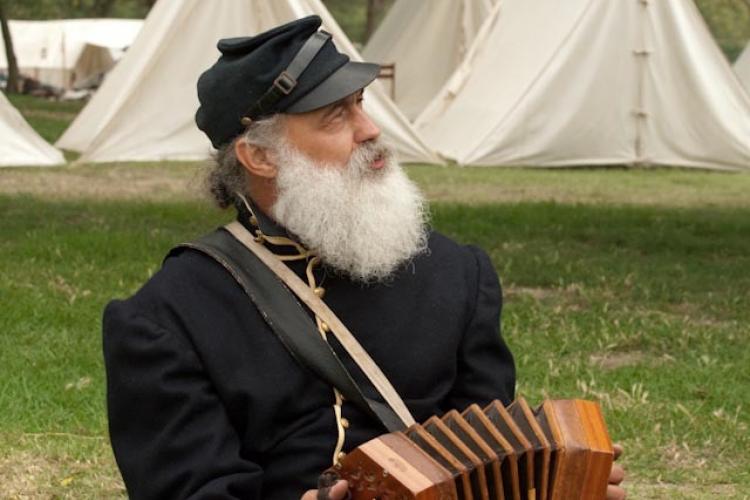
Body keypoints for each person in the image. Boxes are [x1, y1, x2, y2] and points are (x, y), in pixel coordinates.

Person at [103, 15, 625, 500]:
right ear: (260, 157)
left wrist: (555, 487)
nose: (369, 129)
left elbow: (495, 462)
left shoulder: (456, 275)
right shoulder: (166, 320)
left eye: (361, 104)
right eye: (335, 117)